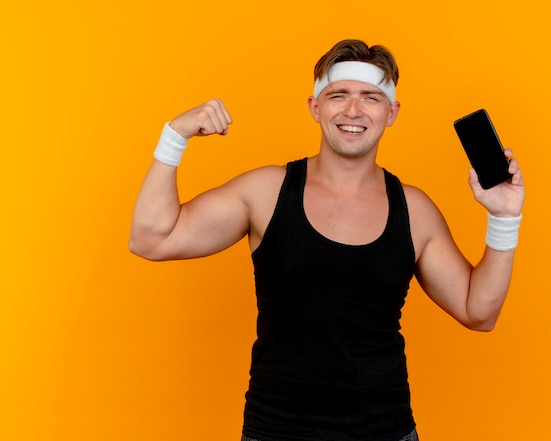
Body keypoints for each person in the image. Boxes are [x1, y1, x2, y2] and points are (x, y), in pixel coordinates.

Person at [129, 39, 524, 441]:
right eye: (339, 95)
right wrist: (174, 137)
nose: (353, 111)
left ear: (391, 113)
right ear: (316, 107)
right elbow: (151, 239)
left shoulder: (414, 210)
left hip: (384, 431)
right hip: (276, 431)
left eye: (371, 98)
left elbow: (479, 312)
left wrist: (504, 218)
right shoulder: (266, 192)